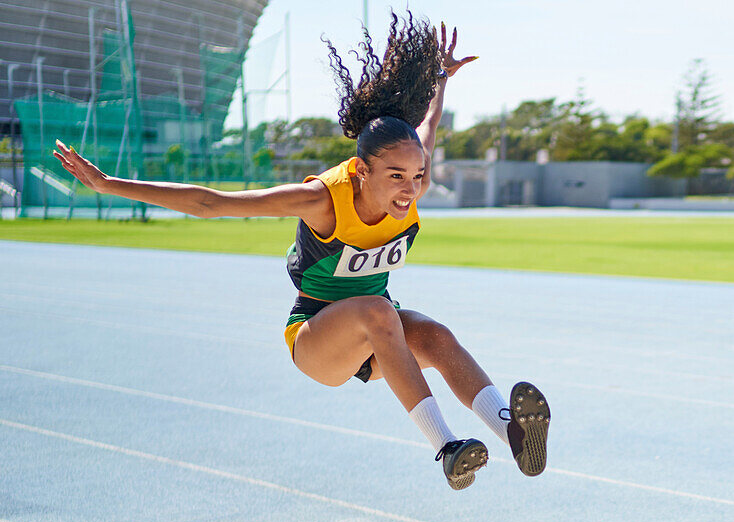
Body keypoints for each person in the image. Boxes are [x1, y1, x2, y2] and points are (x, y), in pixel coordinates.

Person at [54, 13, 550, 491]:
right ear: (361, 171)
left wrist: (441, 79)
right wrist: (109, 184)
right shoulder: (324, 200)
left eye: (418, 176)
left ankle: (512, 431)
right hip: (317, 339)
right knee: (382, 311)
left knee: (436, 336)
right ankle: (448, 450)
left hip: (378, 337)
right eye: (396, 177)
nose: (410, 188)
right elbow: (211, 202)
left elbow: (429, 123)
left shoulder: (410, 169)